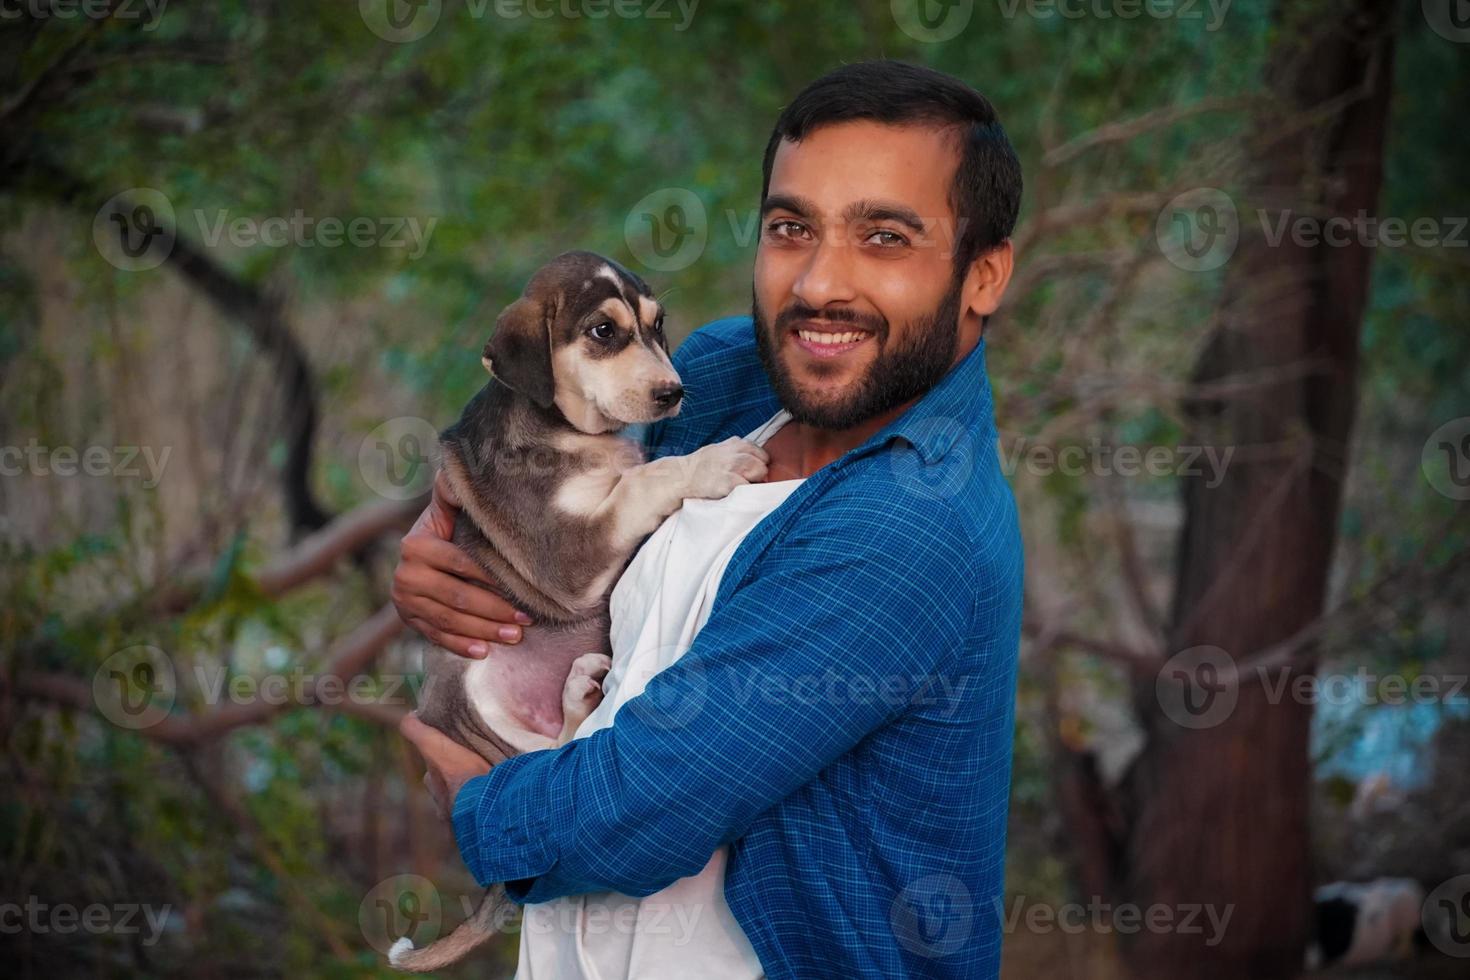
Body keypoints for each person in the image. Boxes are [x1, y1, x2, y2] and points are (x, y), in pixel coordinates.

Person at [394, 59, 1025, 979]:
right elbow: (552, 450)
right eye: (789, 227)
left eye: (885, 237)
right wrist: (443, 534)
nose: (817, 285)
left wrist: (476, 805)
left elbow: (638, 813)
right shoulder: (737, 372)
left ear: (983, 274)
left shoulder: (910, 526)